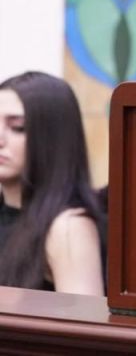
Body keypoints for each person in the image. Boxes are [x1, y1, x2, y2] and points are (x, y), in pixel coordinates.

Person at [0, 71, 105, 294]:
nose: (1, 138)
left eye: (18, 127)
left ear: (52, 138)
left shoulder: (67, 228)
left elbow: (80, 316)